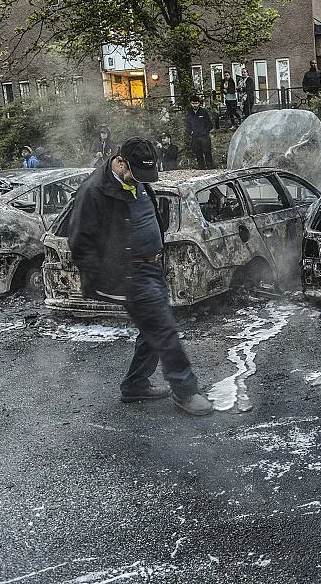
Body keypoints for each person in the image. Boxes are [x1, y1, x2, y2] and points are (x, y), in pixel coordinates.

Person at [68, 138, 213, 416]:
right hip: (129, 273)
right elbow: (80, 242)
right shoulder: (94, 191)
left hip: (152, 266)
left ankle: (134, 385)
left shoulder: (139, 180)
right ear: (120, 162)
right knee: (164, 329)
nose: (140, 180)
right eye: (136, 174)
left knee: (152, 329)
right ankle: (185, 390)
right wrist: (105, 276)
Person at [186, 95, 214, 169]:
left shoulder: (203, 112)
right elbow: (188, 124)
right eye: (193, 103)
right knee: (198, 152)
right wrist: (190, 132)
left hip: (204, 136)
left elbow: (210, 124)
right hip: (195, 137)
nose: (195, 105)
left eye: (196, 103)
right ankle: (201, 168)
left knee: (207, 152)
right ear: (190, 103)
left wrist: (205, 131)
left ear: (199, 103)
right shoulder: (189, 113)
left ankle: (210, 167)